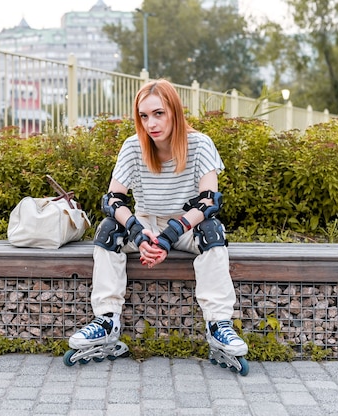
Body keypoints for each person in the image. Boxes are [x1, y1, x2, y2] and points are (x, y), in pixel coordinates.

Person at [68, 78, 248, 360]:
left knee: (212, 231)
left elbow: (209, 201)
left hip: (186, 227)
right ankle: (106, 321)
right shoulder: (133, 147)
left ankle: (218, 323)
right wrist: (139, 234)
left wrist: (169, 237)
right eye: (144, 116)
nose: (151, 123)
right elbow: (112, 200)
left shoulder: (199, 145)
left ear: (174, 111)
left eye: (158, 113)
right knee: (108, 230)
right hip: (146, 224)